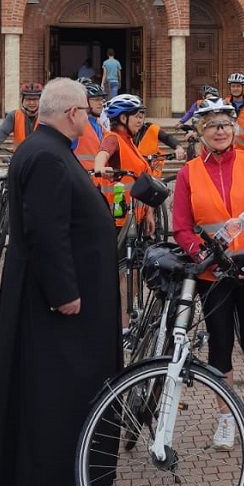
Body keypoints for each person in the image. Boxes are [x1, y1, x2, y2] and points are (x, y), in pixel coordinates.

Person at [0, 78, 122, 486]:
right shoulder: (48, 157)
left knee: (53, 391)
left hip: (54, 300)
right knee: (54, 394)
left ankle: (68, 482)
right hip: (59, 307)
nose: (89, 120)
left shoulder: (44, 150)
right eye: (86, 113)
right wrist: (65, 293)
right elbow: (45, 231)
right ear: (73, 113)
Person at [171, 98, 244, 449]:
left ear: (234, 129)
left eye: (225, 125)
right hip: (214, 275)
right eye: (211, 126)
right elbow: (182, 228)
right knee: (220, 346)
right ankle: (225, 417)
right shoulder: (190, 172)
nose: (219, 131)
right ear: (201, 132)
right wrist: (204, 256)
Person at [93, 94, 154, 327]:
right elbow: (102, 155)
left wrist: (147, 212)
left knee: (135, 271)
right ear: (122, 118)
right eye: (136, 115)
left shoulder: (131, 142)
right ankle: (123, 325)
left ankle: (131, 314)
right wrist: (101, 169)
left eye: (142, 115)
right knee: (122, 274)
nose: (141, 120)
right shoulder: (113, 139)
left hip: (134, 218)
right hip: (118, 220)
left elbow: (140, 179)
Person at [0, 82, 43, 153]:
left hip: (41, 157)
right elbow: (3, 131)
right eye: (28, 99)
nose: (32, 103)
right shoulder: (14, 115)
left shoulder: (47, 117)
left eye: (35, 99)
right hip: (20, 157)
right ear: (22, 100)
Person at [71, 80, 106, 173]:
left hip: (98, 181)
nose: (100, 103)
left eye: (101, 99)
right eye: (96, 100)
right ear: (84, 101)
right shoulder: (76, 126)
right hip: (81, 179)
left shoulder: (100, 125)